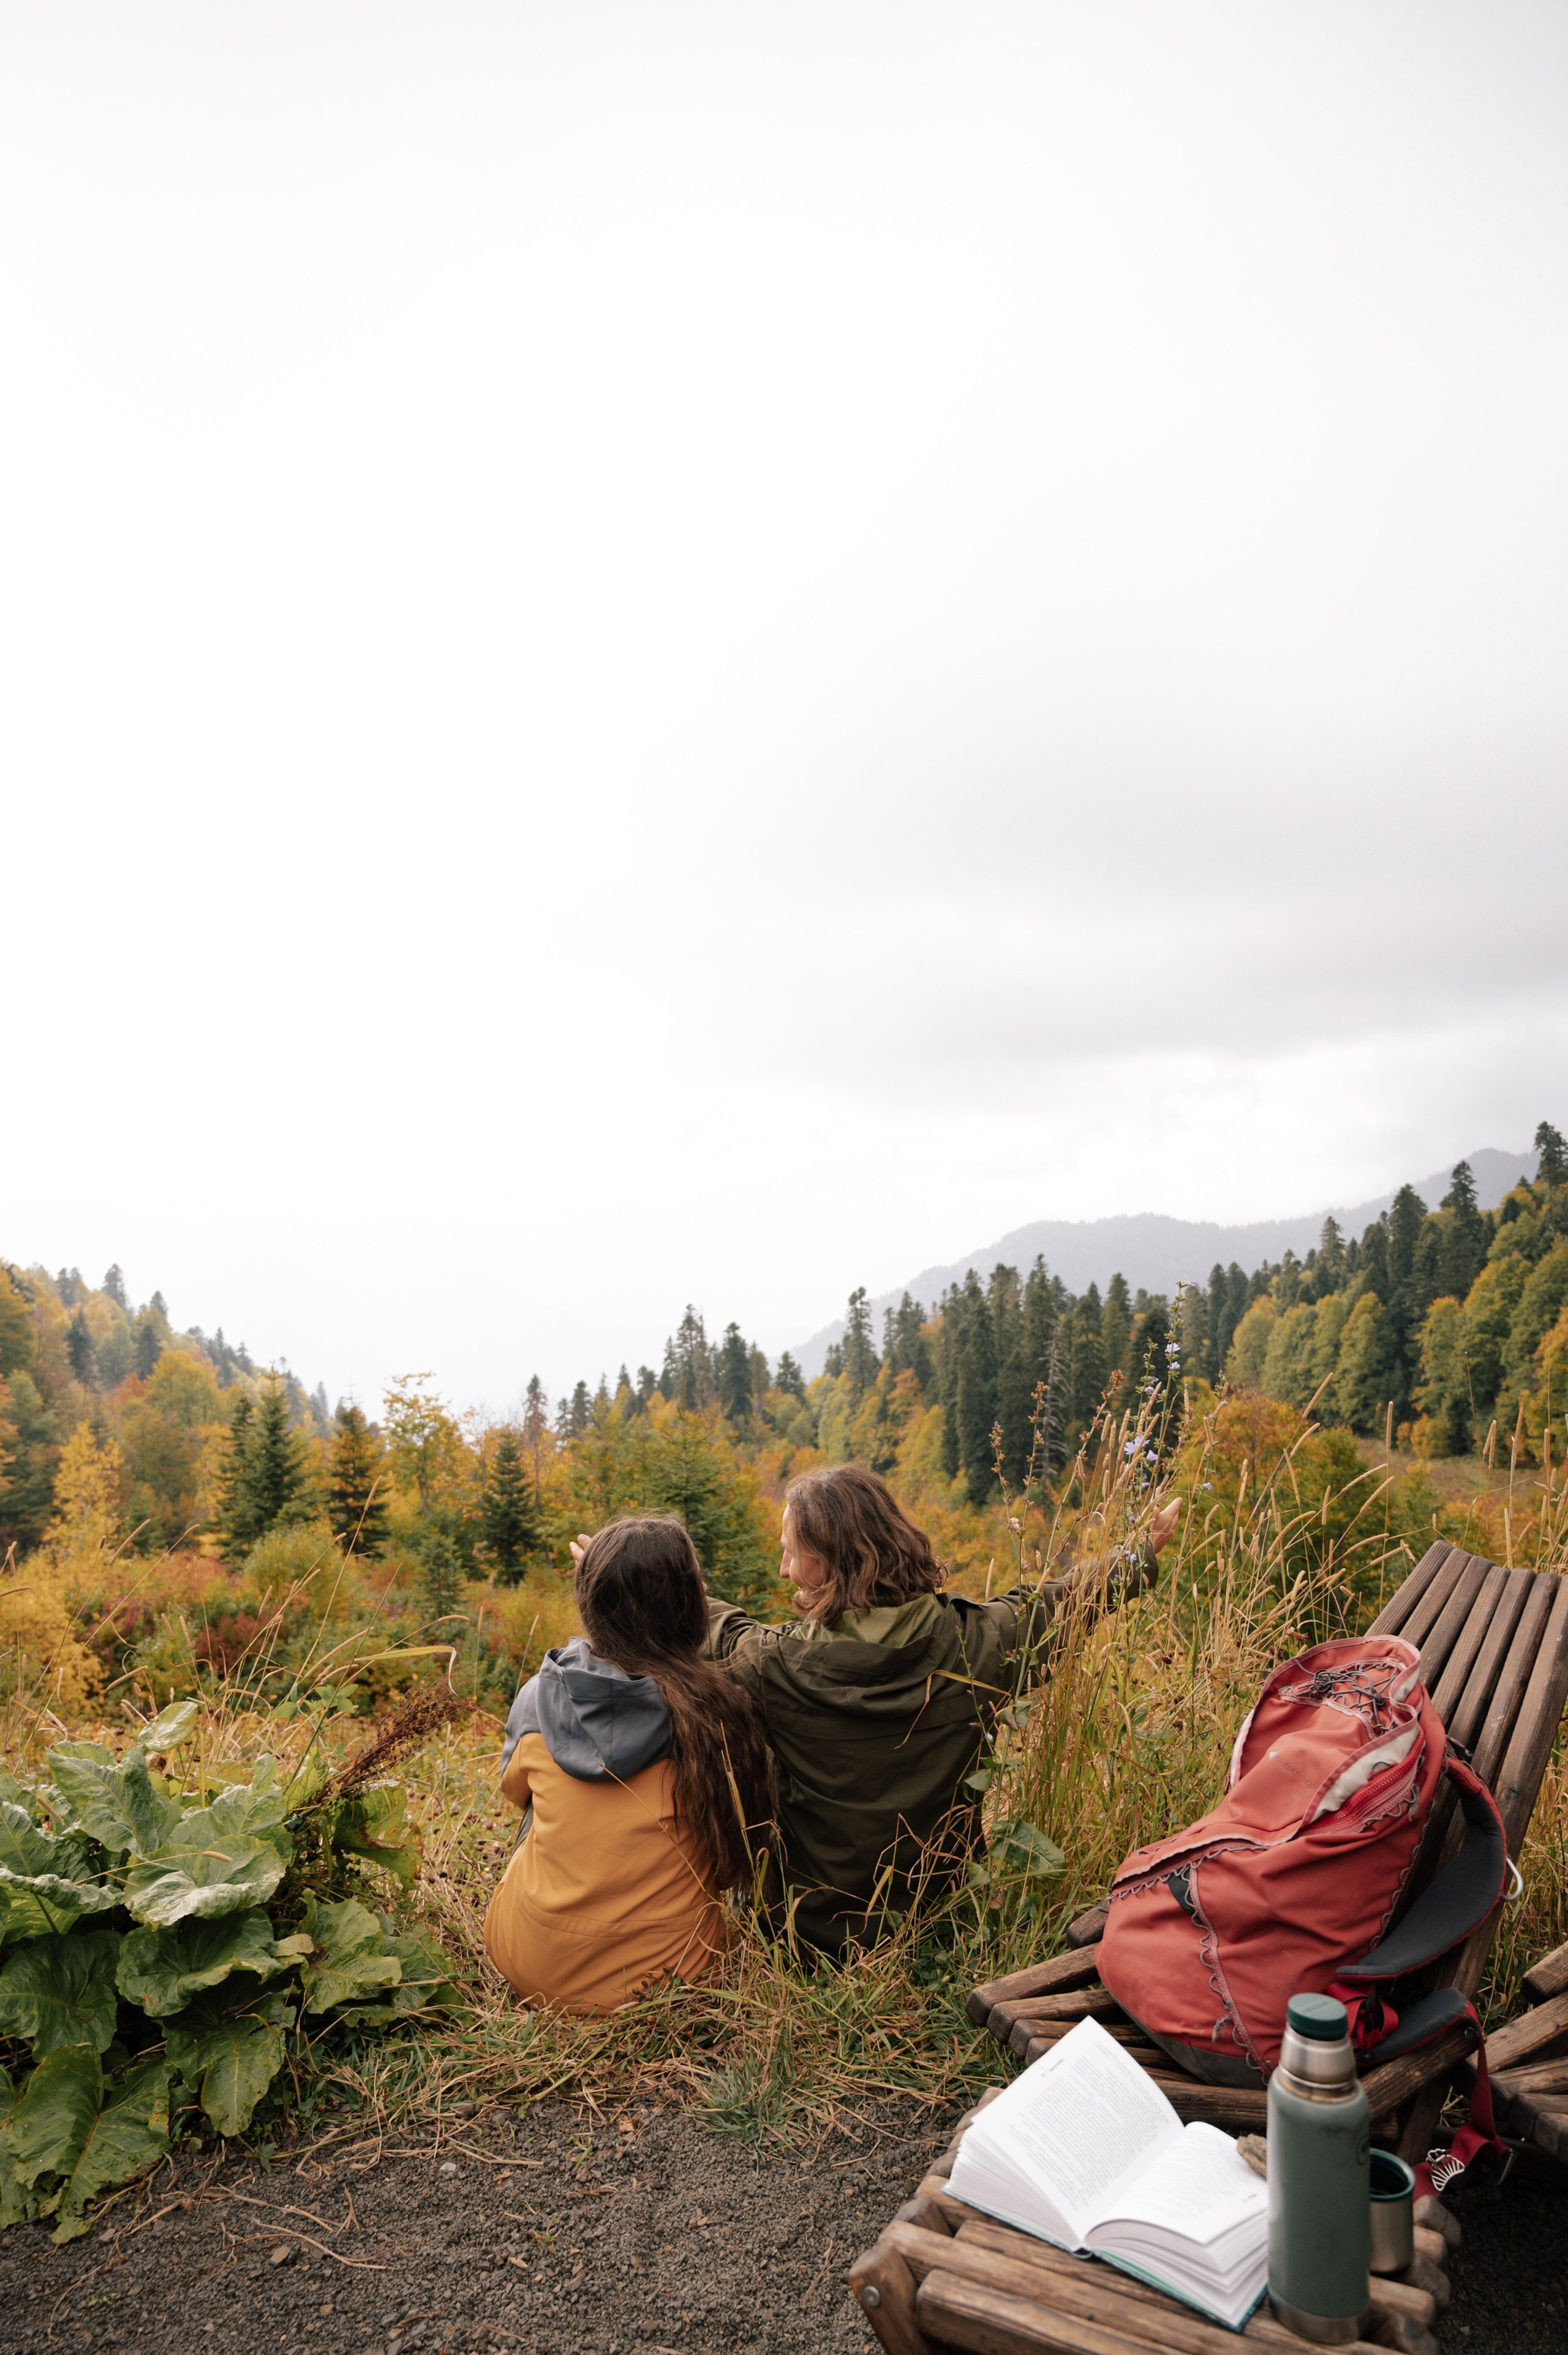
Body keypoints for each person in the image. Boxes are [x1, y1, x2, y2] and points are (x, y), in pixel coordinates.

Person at [704, 1462, 1181, 1956]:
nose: (784, 1571)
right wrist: (1140, 1552)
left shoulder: (771, 1665)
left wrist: (655, 1572)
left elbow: (713, 1628)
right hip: (941, 1928)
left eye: (790, 1555)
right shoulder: (980, 1642)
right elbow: (1070, 1598)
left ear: (827, 1564)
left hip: (810, 1940)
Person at [484, 1514, 774, 2014]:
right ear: (691, 1607)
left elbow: (516, 1796)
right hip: (673, 1976)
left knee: (537, 1799)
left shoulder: (540, 1696)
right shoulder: (718, 1711)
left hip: (531, 1966)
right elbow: (734, 1863)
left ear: (589, 1605)